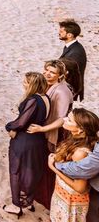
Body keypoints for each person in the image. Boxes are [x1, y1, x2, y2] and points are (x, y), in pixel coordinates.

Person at [2, 72, 50, 216]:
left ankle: (16, 205)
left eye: (25, 82)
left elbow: (21, 122)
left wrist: (9, 127)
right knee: (31, 170)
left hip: (24, 140)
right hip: (38, 139)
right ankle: (28, 201)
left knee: (15, 171)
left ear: (31, 85)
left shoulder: (33, 100)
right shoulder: (46, 98)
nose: (23, 83)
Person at [31, 59, 75, 209]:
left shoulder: (62, 91)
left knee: (48, 164)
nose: (47, 74)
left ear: (60, 75)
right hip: (47, 127)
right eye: (46, 70)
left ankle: (46, 197)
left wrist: (43, 129)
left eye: (52, 72)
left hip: (55, 133)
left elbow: (62, 119)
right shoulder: (50, 85)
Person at [47, 109, 99, 221]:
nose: (65, 119)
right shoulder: (74, 139)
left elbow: (80, 188)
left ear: (80, 129)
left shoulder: (80, 153)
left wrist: (53, 168)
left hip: (71, 202)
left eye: (69, 120)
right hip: (62, 194)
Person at [59, 19, 87, 101]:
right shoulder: (71, 46)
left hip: (70, 90)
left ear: (69, 35)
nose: (59, 33)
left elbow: (70, 74)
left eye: (61, 31)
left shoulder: (75, 52)